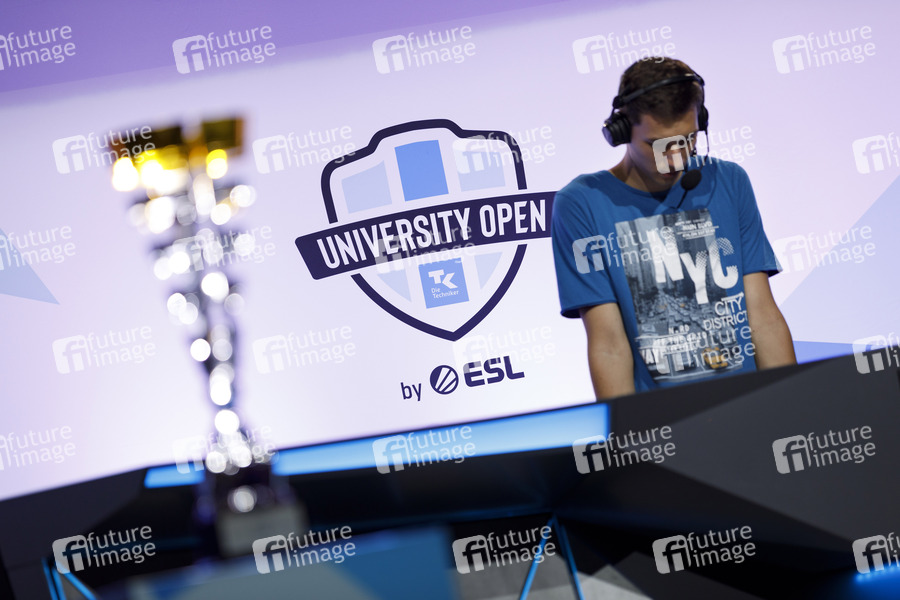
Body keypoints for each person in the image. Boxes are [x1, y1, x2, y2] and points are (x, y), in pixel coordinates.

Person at [551, 57, 795, 399]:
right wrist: (631, 432)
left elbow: (763, 315)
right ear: (622, 130)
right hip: (662, 418)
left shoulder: (729, 181)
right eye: (659, 144)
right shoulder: (581, 204)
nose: (676, 158)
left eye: (688, 139)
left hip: (751, 404)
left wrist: (793, 406)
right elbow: (608, 344)